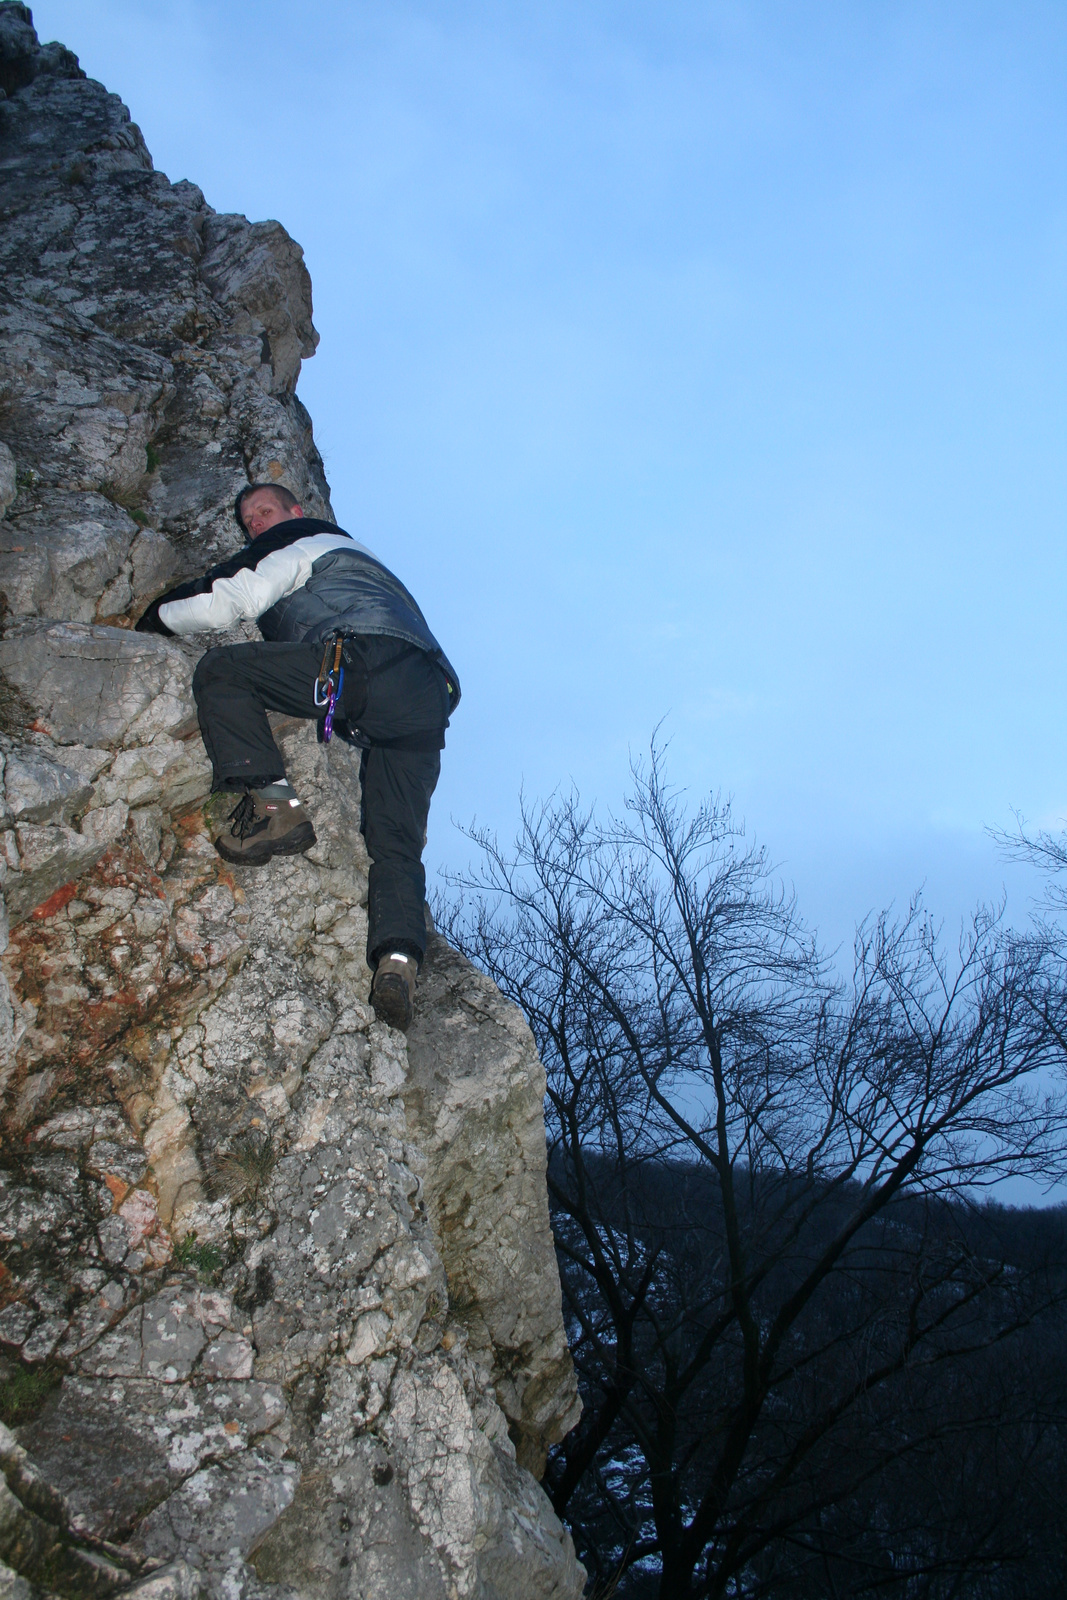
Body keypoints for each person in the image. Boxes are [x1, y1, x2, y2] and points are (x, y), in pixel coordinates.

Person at [135, 483, 459, 1032]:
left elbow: (229, 599)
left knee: (222, 670)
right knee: (396, 844)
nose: (256, 523)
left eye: (264, 511)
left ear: (296, 512)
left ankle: (273, 804)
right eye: (248, 519)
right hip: (427, 698)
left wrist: (151, 619)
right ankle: (398, 960)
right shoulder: (373, 569)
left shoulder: (305, 538)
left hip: (363, 663)